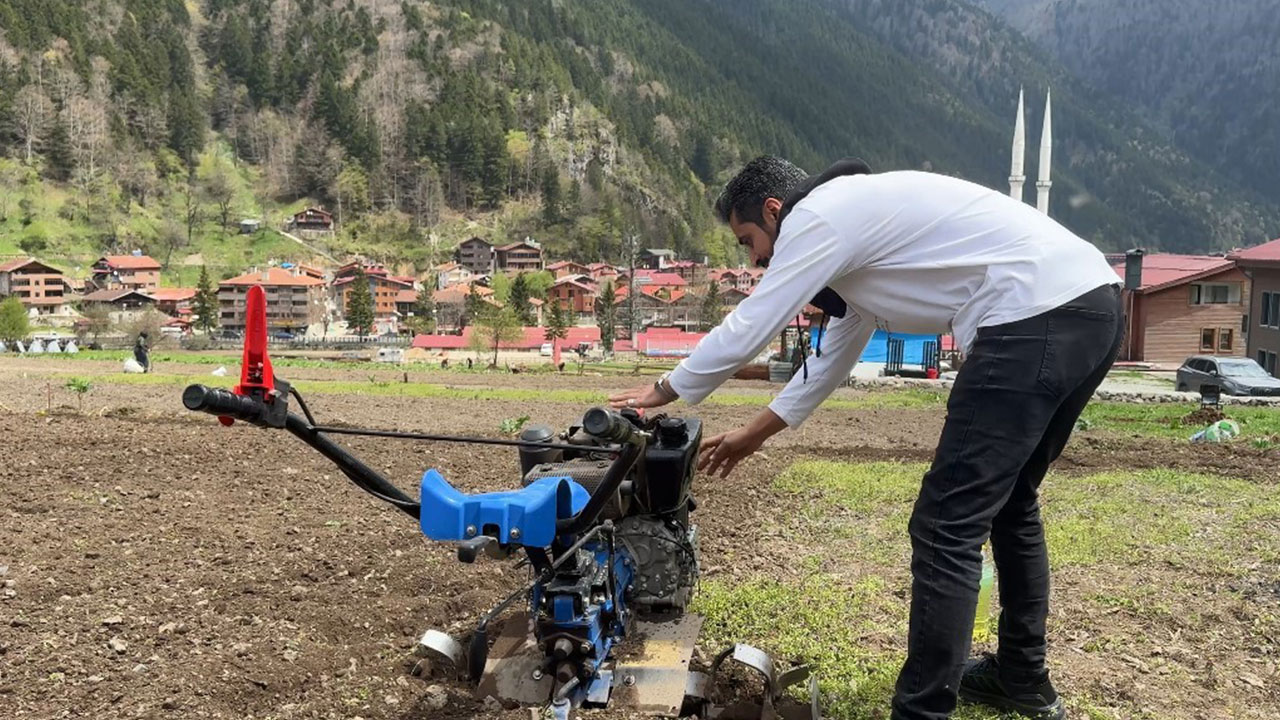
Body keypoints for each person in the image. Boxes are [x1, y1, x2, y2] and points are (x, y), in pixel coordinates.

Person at [609, 156, 1124, 720]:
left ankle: (922, 712)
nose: (754, 258)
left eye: (748, 239)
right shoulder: (858, 236)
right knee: (1012, 503)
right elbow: (831, 359)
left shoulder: (820, 217)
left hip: (1029, 314)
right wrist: (755, 434)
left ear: (775, 211)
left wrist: (666, 387)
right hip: (1091, 305)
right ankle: (1022, 677)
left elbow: (757, 318)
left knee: (946, 524)